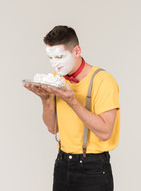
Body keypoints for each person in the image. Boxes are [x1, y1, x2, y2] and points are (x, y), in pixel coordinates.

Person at [24, 25, 120, 191]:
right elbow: (52, 128)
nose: (55, 64)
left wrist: (72, 101)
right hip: (62, 163)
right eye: (51, 58)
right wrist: (45, 99)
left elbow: (105, 132)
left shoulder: (103, 81)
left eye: (60, 57)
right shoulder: (57, 80)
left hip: (93, 168)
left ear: (76, 51)